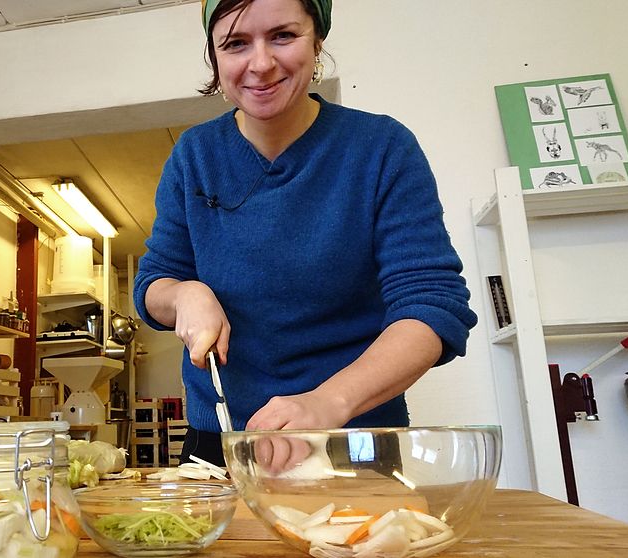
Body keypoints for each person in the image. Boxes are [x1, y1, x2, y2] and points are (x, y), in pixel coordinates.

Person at [132, 0, 478, 467]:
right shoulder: (195, 156)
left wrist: (326, 404)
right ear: (215, 58)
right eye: (236, 44)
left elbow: (432, 305)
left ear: (317, 39)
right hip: (222, 437)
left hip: (353, 437)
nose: (260, 63)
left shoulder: (381, 149)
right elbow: (154, 284)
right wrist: (184, 295)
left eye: (282, 36)